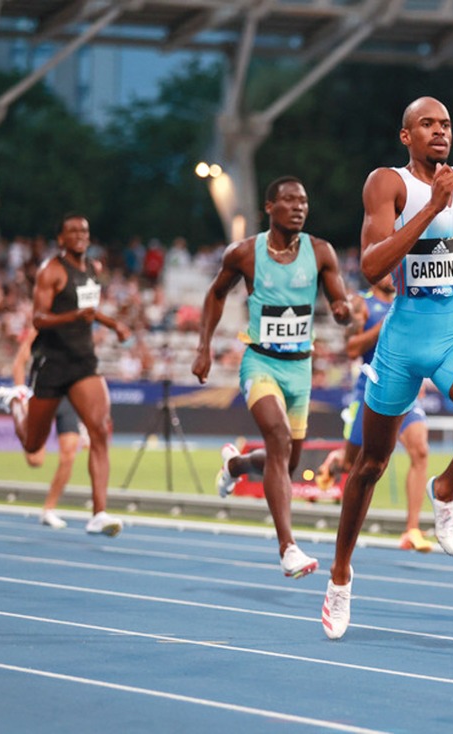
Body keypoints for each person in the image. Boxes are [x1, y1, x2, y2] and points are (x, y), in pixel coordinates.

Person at [322, 96, 453, 640]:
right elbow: (370, 265)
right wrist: (432, 207)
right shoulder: (387, 184)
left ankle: (445, 489)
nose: (440, 132)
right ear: (406, 136)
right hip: (403, 340)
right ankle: (340, 577)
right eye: (427, 125)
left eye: (447, 125)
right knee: (369, 465)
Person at [192, 175, 352, 580]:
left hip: (300, 368)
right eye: (289, 200)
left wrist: (343, 309)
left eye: (303, 201)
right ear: (269, 207)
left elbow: (338, 298)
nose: (299, 207)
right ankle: (288, 548)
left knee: (289, 461)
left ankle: (236, 465)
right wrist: (203, 347)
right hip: (260, 362)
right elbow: (215, 295)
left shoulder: (319, 252)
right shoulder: (245, 253)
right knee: (278, 439)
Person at [0, 213, 129, 537]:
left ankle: (99, 513)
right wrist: (72, 316)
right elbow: (38, 319)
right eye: (73, 231)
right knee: (33, 445)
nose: (81, 235)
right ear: (61, 239)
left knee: (99, 429)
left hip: (83, 362)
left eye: (85, 230)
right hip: (51, 364)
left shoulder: (93, 269)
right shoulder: (51, 270)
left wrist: (113, 325)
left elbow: (90, 312)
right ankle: (14, 403)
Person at [316, 273, 433, 552]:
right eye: (387, 269)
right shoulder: (361, 304)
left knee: (420, 450)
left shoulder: (406, 304)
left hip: (403, 388)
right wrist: (383, 326)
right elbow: (352, 348)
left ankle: (412, 530)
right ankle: (335, 463)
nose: (393, 276)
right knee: (355, 465)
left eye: (397, 270)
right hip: (369, 390)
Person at [13, 324, 85, 529]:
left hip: (67, 399)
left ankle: (49, 509)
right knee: (35, 460)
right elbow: (19, 363)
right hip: (42, 395)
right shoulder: (39, 330)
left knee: (69, 453)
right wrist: (20, 395)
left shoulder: (79, 334)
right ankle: (18, 415)